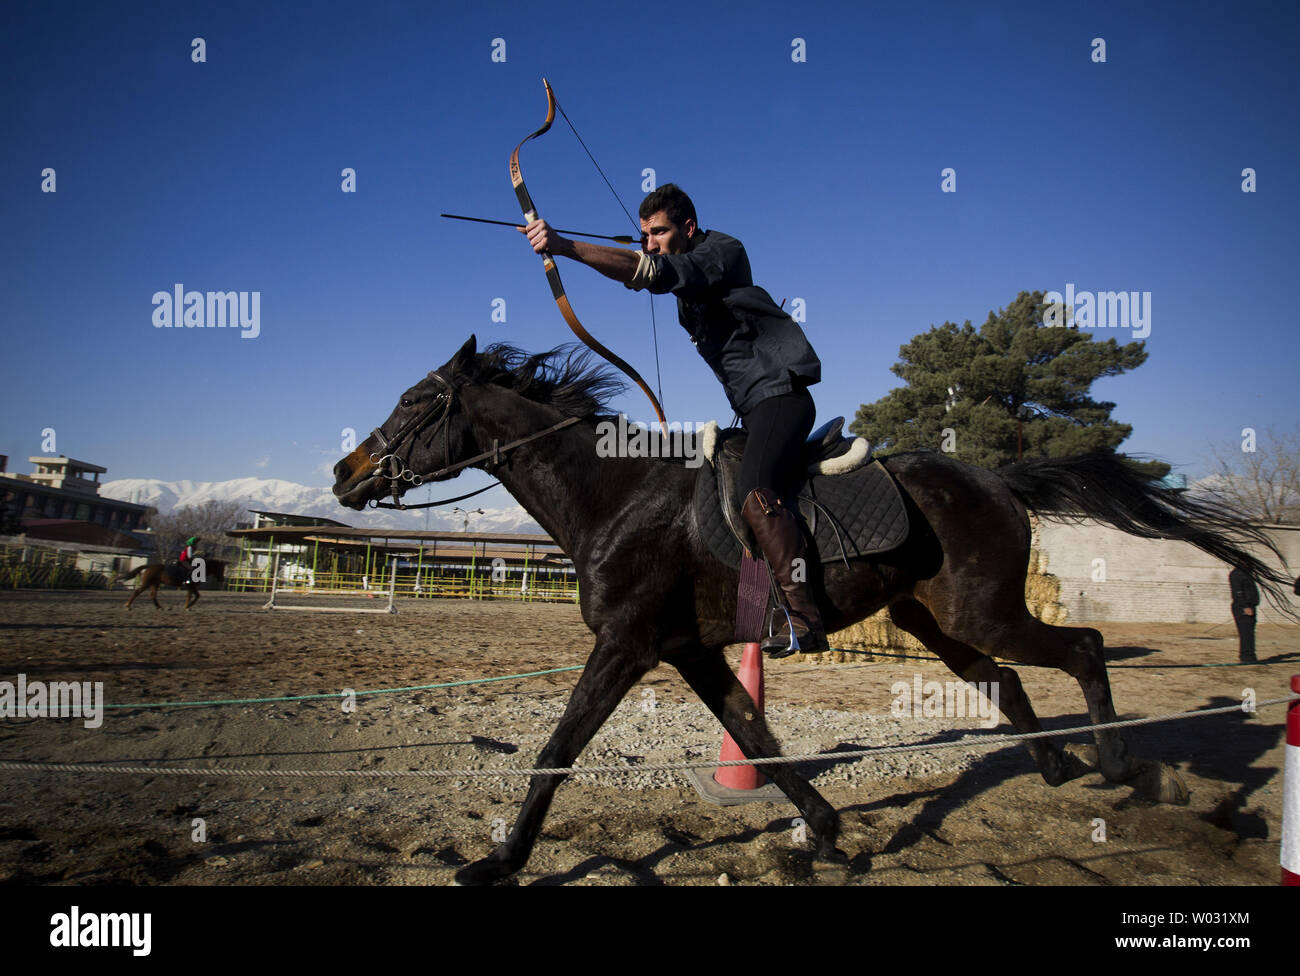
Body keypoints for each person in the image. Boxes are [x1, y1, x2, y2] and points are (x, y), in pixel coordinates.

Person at [523, 184, 827, 654]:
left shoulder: (722, 252)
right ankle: (750, 612)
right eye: (644, 235)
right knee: (719, 488)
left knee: (753, 488)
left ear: (687, 227)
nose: (650, 242)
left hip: (781, 398)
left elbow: (651, 272)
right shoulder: (687, 275)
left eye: (658, 232)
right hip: (755, 407)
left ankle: (804, 620)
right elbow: (649, 269)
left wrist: (563, 246)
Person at [1228, 564, 1259, 663]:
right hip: (1243, 607)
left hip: (1249, 606)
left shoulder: (1246, 573)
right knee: (1246, 632)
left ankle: (1250, 655)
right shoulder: (1237, 574)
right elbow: (1238, 592)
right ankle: (1247, 656)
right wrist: (1245, 606)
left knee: (1249, 632)